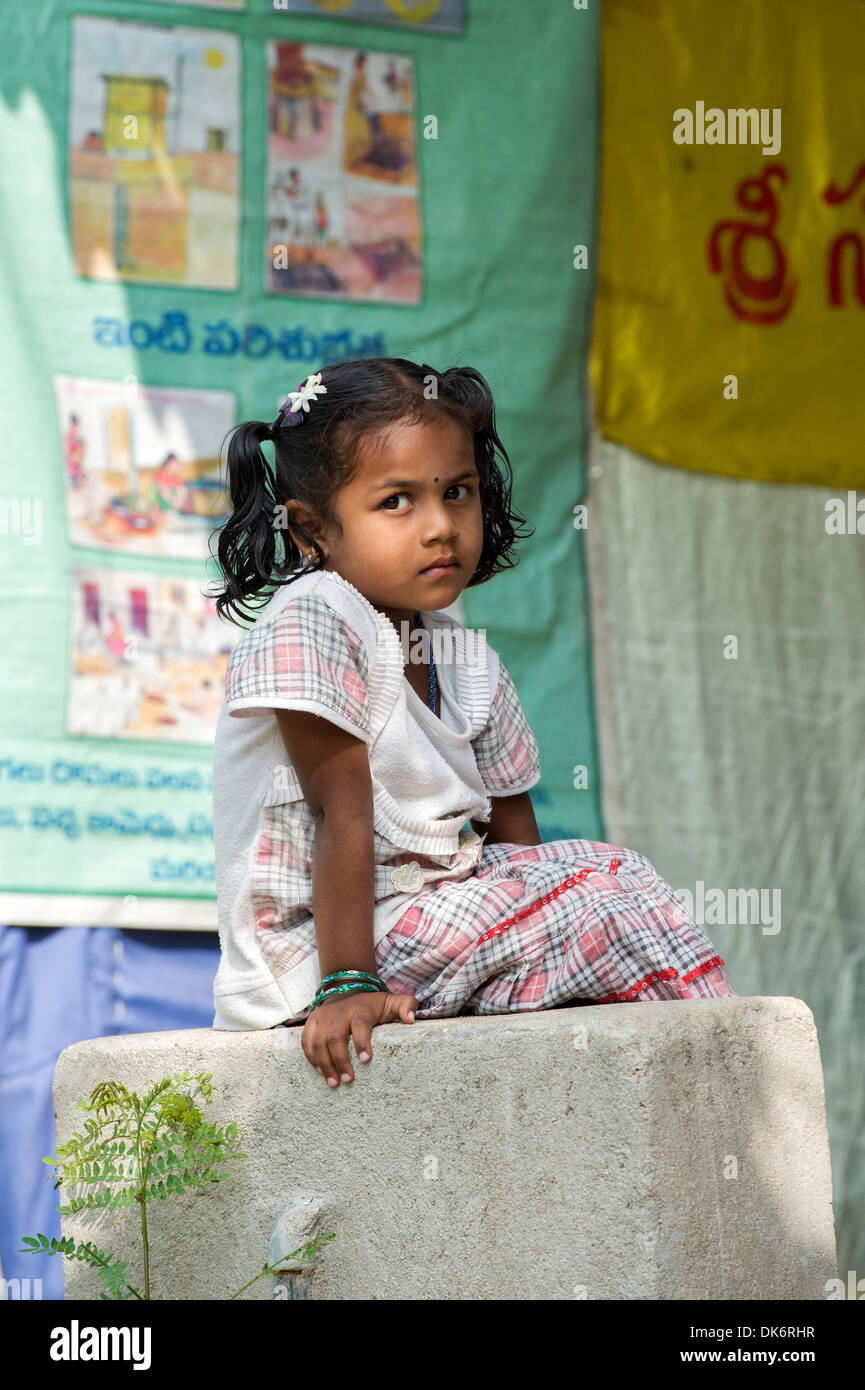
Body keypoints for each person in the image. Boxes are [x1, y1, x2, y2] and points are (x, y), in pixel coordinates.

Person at [208, 358, 735, 1090]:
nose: (440, 527)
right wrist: (347, 983)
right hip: (319, 958)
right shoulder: (313, 620)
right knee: (595, 908)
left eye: (457, 492)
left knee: (618, 875)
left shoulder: (460, 652)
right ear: (309, 530)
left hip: (436, 924)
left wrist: (553, 953)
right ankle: (718, 1082)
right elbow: (339, 811)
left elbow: (517, 852)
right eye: (397, 502)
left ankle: (706, 1074)